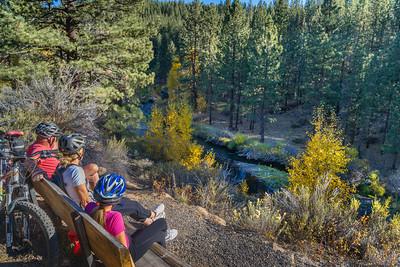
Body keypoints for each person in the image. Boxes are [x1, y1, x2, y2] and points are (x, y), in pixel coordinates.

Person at [59, 133, 165, 226]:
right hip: (95, 212)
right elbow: (86, 201)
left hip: (81, 209)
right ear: (78, 153)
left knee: (126, 202)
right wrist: (101, 202)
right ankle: (154, 215)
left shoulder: (62, 167)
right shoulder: (76, 172)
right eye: (81, 148)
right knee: (133, 205)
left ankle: (149, 221)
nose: (83, 150)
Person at [86, 173, 177, 262]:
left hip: (102, 251)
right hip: (131, 253)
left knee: (159, 234)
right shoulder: (114, 217)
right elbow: (124, 253)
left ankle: (163, 237)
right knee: (161, 222)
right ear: (118, 198)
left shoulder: (90, 207)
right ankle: (164, 244)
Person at [26, 122, 99, 184]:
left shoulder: (35, 147)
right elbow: (28, 160)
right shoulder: (38, 149)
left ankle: (95, 198)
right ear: (51, 139)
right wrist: (36, 171)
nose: (56, 141)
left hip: (57, 180)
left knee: (94, 175)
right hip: (62, 183)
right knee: (93, 167)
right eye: (56, 138)